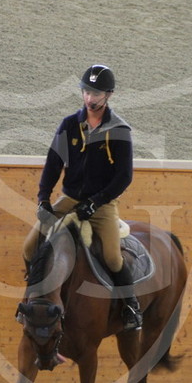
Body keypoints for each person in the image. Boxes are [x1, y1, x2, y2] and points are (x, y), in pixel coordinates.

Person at [22, 64, 142, 331]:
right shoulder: (69, 125)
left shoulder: (120, 130)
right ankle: (33, 299)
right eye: (86, 91)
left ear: (108, 94)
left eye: (96, 93)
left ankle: (131, 306)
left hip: (102, 205)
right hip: (69, 199)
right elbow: (53, 163)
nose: (90, 98)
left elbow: (124, 177)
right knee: (29, 246)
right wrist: (43, 199)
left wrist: (96, 202)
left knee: (112, 257)